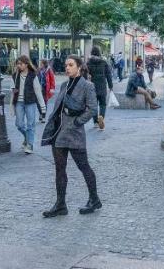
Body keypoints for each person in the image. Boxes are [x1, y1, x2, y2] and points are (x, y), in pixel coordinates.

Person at [41, 54, 101, 218]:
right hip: (59, 133)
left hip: (74, 133)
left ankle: (94, 199)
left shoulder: (87, 86)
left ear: (79, 67)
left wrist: (77, 122)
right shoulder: (64, 85)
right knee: (59, 169)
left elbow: (92, 109)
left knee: (84, 166)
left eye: (71, 65)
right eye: (66, 65)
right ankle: (60, 204)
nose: (67, 68)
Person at [11, 55, 47, 154]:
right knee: (19, 124)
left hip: (30, 102)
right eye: (17, 64)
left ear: (26, 64)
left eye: (20, 64)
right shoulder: (15, 75)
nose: (19, 66)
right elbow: (12, 90)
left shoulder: (33, 75)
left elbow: (38, 91)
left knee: (30, 124)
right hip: (19, 102)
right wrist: (13, 93)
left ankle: (29, 145)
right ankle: (27, 138)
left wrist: (43, 107)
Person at [85, 47, 114, 130]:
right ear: (99, 53)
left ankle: (95, 123)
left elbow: (85, 74)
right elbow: (108, 75)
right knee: (102, 104)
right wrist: (111, 86)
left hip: (92, 87)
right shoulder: (104, 62)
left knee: (94, 105)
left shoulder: (89, 63)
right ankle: (101, 116)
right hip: (102, 86)